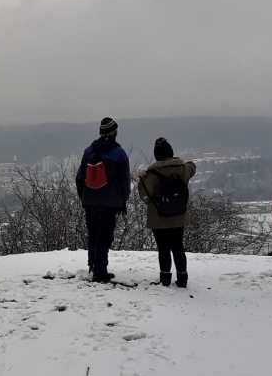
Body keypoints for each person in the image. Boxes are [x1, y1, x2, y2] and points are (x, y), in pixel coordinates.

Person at [75, 118, 131, 282]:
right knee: (105, 235)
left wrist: (84, 197)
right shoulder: (119, 153)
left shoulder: (89, 151)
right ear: (114, 133)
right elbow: (125, 181)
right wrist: (123, 200)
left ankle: (93, 265)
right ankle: (100, 271)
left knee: (93, 233)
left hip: (90, 200)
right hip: (109, 202)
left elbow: (79, 178)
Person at [137, 138, 197, 288]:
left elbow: (144, 195)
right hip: (179, 215)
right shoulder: (183, 169)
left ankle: (165, 279)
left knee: (163, 248)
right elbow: (193, 167)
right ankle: (182, 279)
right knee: (178, 247)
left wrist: (142, 178)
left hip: (159, 217)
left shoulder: (152, 174)